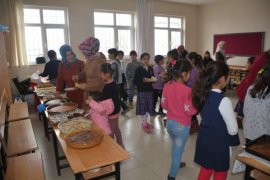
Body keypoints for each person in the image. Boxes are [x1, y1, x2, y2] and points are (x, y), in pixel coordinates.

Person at [192, 62, 239, 180]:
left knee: (205, 170)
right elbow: (233, 130)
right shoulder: (224, 101)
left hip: (204, 141)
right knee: (220, 172)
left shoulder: (201, 94)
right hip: (219, 144)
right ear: (222, 78)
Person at [161, 60, 196, 180]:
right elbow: (190, 111)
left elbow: (164, 105)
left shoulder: (167, 85)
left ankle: (178, 161)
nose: (190, 76)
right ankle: (172, 176)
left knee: (176, 147)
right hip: (182, 126)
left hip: (169, 124)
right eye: (189, 73)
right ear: (184, 74)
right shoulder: (187, 90)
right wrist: (197, 108)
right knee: (177, 150)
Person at [243, 62, 270, 143]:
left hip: (249, 131)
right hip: (264, 134)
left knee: (250, 154)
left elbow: (245, 110)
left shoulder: (251, 88)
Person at [100, 63, 124, 148]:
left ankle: (112, 148)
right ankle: (120, 144)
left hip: (112, 111)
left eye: (101, 74)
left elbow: (106, 101)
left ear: (106, 74)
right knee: (116, 128)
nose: (100, 76)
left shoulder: (107, 87)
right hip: (116, 109)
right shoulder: (113, 83)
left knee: (111, 130)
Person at [134, 53, 155, 133]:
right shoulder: (138, 69)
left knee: (147, 108)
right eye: (144, 59)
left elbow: (152, 77)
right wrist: (143, 80)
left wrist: (153, 79)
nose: (146, 60)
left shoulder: (150, 68)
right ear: (141, 60)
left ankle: (146, 122)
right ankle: (144, 123)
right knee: (143, 108)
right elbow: (135, 81)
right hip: (142, 91)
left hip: (149, 91)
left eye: (147, 59)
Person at [234, 56, 255, 128]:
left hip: (245, 92)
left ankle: (239, 118)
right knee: (241, 104)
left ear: (251, 64)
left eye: (247, 63)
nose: (246, 64)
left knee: (241, 103)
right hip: (244, 91)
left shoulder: (253, 71)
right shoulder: (253, 71)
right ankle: (239, 119)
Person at [186, 52, 202, 134]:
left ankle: (193, 127)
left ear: (192, 60)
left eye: (188, 59)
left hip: (192, 92)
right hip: (193, 91)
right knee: (192, 110)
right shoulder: (196, 68)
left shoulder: (194, 70)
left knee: (191, 110)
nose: (187, 61)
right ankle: (195, 126)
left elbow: (191, 82)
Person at [108, 48, 128, 112]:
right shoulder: (115, 61)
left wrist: (112, 81)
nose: (108, 55)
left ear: (113, 54)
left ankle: (123, 108)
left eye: (109, 54)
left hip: (114, 82)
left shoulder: (114, 63)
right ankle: (123, 107)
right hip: (116, 81)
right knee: (115, 96)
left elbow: (114, 74)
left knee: (114, 97)